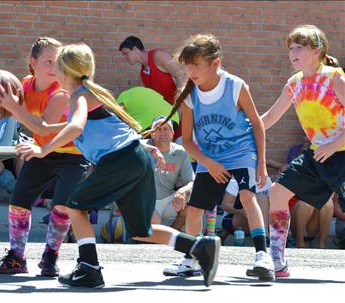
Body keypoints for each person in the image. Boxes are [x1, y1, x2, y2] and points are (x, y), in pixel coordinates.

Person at [15, 42, 220, 288]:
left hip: (120, 161)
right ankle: (200, 246)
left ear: (66, 71)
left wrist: (43, 149)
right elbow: (109, 128)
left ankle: (89, 268)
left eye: (57, 67)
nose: (54, 72)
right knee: (141, 230)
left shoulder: (79, 95)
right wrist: (144, 147)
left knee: (74, 207)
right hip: (133, 158)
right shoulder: (91, 94)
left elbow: (76, 127)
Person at [159, 34, 274, 282]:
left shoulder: (235, 86)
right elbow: (187, 141)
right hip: (209, 157)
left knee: (247, 196)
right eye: (187, 66)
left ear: (215, 64)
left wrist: (261, 163)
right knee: (194, 210)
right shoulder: (189, 96)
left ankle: (262, 256)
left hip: (241, 152)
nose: (191, 71)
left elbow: (257, 124)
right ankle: (191, 260)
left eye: (196, 65)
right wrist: (209, 163)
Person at [0, 38, 89, 277]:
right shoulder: (23, 86)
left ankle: (50, 257)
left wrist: (14, 108)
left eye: (58, 61)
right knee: (18, 201)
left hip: (72, 155)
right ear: (32, 63)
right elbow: (3, 108)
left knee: (62, 206)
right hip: (42, 152)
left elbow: (43, 127)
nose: (54, 67)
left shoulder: (62, 93)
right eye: (48, 61)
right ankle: (16, 258)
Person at [261, 24, 344, 277]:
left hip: (340, 151)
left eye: (299, 48)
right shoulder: (293, 83)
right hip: (318, 153)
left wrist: (333, 144)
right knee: (277, 192)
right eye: (290, 49)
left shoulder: (333, 77)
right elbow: (272, 116)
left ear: (317, 51)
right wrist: (243, 131)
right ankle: (277, 260)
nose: (293, 53)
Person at [119, 36, 186, 140]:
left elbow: (182, 75)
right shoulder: (142, 73)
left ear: (135, 49)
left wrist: (179, 104)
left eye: (126, 53)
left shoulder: (159, 56)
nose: (125, 58)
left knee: (182, 144)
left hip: (180, 109)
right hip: (165, 116)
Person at [145, 116, 194, 231]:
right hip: (146, 199)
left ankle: (171, 239)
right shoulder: (143, 146)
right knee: (154, 219)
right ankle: (148, 243)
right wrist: (152, 150)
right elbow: (130, 142)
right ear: (152, 134)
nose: (162, 132)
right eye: (158, 128)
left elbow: (191, 181)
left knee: (193, 206)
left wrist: (182, 191)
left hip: (169, 200)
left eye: (166, 128)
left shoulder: (180, 152)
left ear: (172, 134)